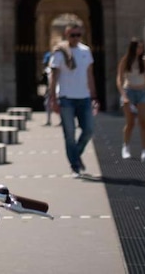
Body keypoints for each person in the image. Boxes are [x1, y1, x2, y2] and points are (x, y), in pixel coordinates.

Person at [47, 23, 99, 178]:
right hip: (66, 98)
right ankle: (75, 165)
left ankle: (76, 155)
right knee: (69, 134)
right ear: (66, 35)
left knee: (88, 130)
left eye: (78, 35)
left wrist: (94, 96)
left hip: (84, 97)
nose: (75, 38)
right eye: (72, 35)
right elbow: (54, 77)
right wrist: (53, 99)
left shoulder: (86, 51)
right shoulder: (59, 53)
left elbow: (90, 75)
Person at [116, 38, 145, 163]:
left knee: (143, 122)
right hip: (129, 91)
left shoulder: (144, 61)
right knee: (130, 123)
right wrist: (124, 96)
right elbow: (119, 79)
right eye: (138, 47)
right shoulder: (125, 61)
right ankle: (126, 147)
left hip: (141, 92)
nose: (140, 50)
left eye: (141, 47)